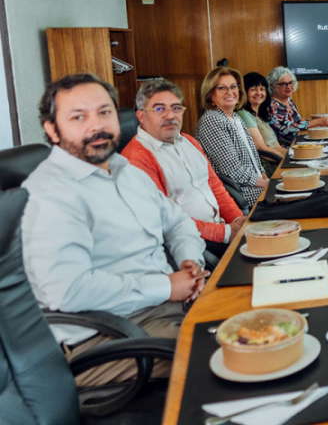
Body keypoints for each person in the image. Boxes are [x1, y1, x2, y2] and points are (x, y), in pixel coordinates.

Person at [21, 73, 207, 384]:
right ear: (52, 129)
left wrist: (190, 262)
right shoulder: (48, 194)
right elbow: (70, 291)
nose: (97, 125)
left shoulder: (126, 171)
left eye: (104, 112)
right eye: (79, 117)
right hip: (109, 339)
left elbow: (177, 221)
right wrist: (165, 286)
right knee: (235, 355)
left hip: (171, 308)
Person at [121, 79, 246, 258]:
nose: (170, 115)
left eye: (176, 108)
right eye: (159, 109)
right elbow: (164, 221)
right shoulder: (137, 158)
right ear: (141, 116)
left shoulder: (189, 141)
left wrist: (237, 220)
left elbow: (215, 187)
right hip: (191, 245)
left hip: (222, 230)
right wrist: (225, 233)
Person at [195, 67, 268, 207]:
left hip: (257, 186)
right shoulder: (211, 121)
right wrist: (266, 184)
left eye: (233, 86)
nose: (230, 92)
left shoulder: (235, 117)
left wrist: (266, 179)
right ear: (210, 94)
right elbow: (232, 171)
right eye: (222, 88)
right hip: (243, 193)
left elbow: (254, 159)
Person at [267, 66, 328, 145]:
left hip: (300, 140)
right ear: (272, 86)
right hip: (288, 147)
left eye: (291, 82)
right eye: (283, 84)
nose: (289, 86)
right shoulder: (272, 105)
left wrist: (302, 121)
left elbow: (295, 123)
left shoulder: (289, 101)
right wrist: (317, 122)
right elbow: (286, 130)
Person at [238, 71, 287, 177]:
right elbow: (260, 147)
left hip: (276, 160)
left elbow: (277, 146)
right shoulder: (244, 114)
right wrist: (287, 160)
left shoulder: (260, 116)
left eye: (262, 89)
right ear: (244, 92)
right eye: (253, 89)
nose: (259, 93)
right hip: (266, 166)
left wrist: (294, 156)